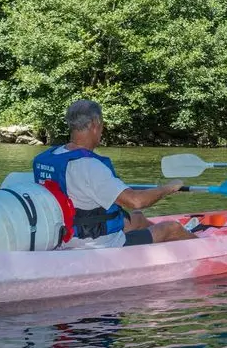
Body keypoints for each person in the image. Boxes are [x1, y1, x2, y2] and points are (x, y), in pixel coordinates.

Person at [33, 100, 196, 248]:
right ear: (95, 124)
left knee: (137, 218)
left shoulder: (48, 157)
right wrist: (168, 188)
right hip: (96, 243)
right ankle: (207, 245)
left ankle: (159, 243)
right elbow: (136, 201)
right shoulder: (90, 166)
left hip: (62, 234)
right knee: (172, 228)